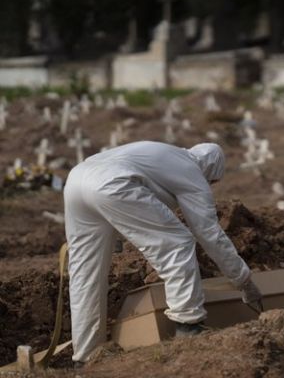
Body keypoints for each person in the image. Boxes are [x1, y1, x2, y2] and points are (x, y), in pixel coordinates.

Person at [64, 141, 262, 363]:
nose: (210, 184)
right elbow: (209, 234)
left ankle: (85, 355)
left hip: (76, 180)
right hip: (111, 184)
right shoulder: (193, 172)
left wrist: (114, 237)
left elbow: (124, 177)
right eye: (212, 181)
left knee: (85, 273)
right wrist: (243, 280)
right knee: (178, 243)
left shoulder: (167, 155)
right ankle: (189, 326)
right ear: (211, 170)